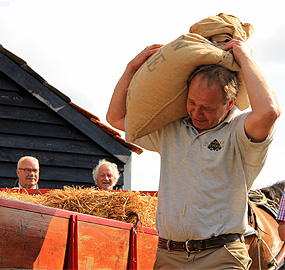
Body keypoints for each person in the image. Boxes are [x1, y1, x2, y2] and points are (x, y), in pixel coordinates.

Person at [106, 39, 280, 269]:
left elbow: (269, 112)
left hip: (221, 256)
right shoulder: (171, 130)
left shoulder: (239, 132)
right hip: (169, 256)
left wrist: (245, 57)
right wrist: (131, 68)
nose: (197, 112)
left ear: (230, 105)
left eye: (207, 107)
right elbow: (115, 118)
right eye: (192, 102)